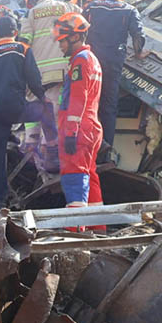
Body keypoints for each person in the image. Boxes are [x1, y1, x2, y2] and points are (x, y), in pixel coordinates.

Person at [0, 6, 48, 207]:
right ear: (15, 32)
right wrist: (44, 100)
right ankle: (53, 157)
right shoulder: (22, 49)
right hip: (16, 109)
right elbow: (33, 80)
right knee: (45, 113)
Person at [18, 0, 83, 174]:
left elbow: (24, 44)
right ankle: (53, 153)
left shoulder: (31, 14)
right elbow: (82, 17)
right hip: (62, 70)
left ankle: (42, 149)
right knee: (56, 110)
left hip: (38, 74)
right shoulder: (66, 7)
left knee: (39, 108)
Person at [83, 0, 146, 149]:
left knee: (85, 101)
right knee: (108, 106)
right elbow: (138, 35)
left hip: (89, 60)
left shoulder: (91, 7)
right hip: (113, 63)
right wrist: (139, 53)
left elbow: (78, 29)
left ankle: (80, 142)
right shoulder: (130, 10)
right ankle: (105, 149)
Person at [54, 13, 104, 217]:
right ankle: (97, 227)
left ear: (74, 37)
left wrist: (71, 131)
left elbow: (78, 97)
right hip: (90, 127)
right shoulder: (90, 59)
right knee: (89, 178)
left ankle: (76, 230)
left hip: (79, 129)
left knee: (74, 178)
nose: (60, 46)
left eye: (62, 41)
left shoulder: (80, 61)